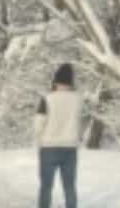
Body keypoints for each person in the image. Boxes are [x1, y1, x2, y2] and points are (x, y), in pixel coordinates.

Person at [35, 63, 83, 208]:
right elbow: (78, 122)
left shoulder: (47, 99)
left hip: (49, 147)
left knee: (46, 187)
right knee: (69, 187)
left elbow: (38, 124)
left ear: (55, 80)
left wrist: (40, 139)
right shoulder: (78, 99)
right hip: (70, 147)